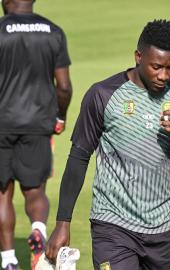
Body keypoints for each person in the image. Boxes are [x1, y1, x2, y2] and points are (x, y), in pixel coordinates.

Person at [45, 19, 170, 270]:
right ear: (138, 56)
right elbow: (79, 157)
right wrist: (63, 222)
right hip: (112, 226)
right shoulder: (103, 94)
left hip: (160, 230)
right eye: (156, 66)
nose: (163, 75)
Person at [0, 0, 72, 269]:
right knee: (35, 189)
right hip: (38, 123)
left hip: (1, 124)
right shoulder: (53, 31)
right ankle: (39, 228)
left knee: (2, 194)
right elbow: (63, 86)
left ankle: (8, 260)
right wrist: (60, 116)